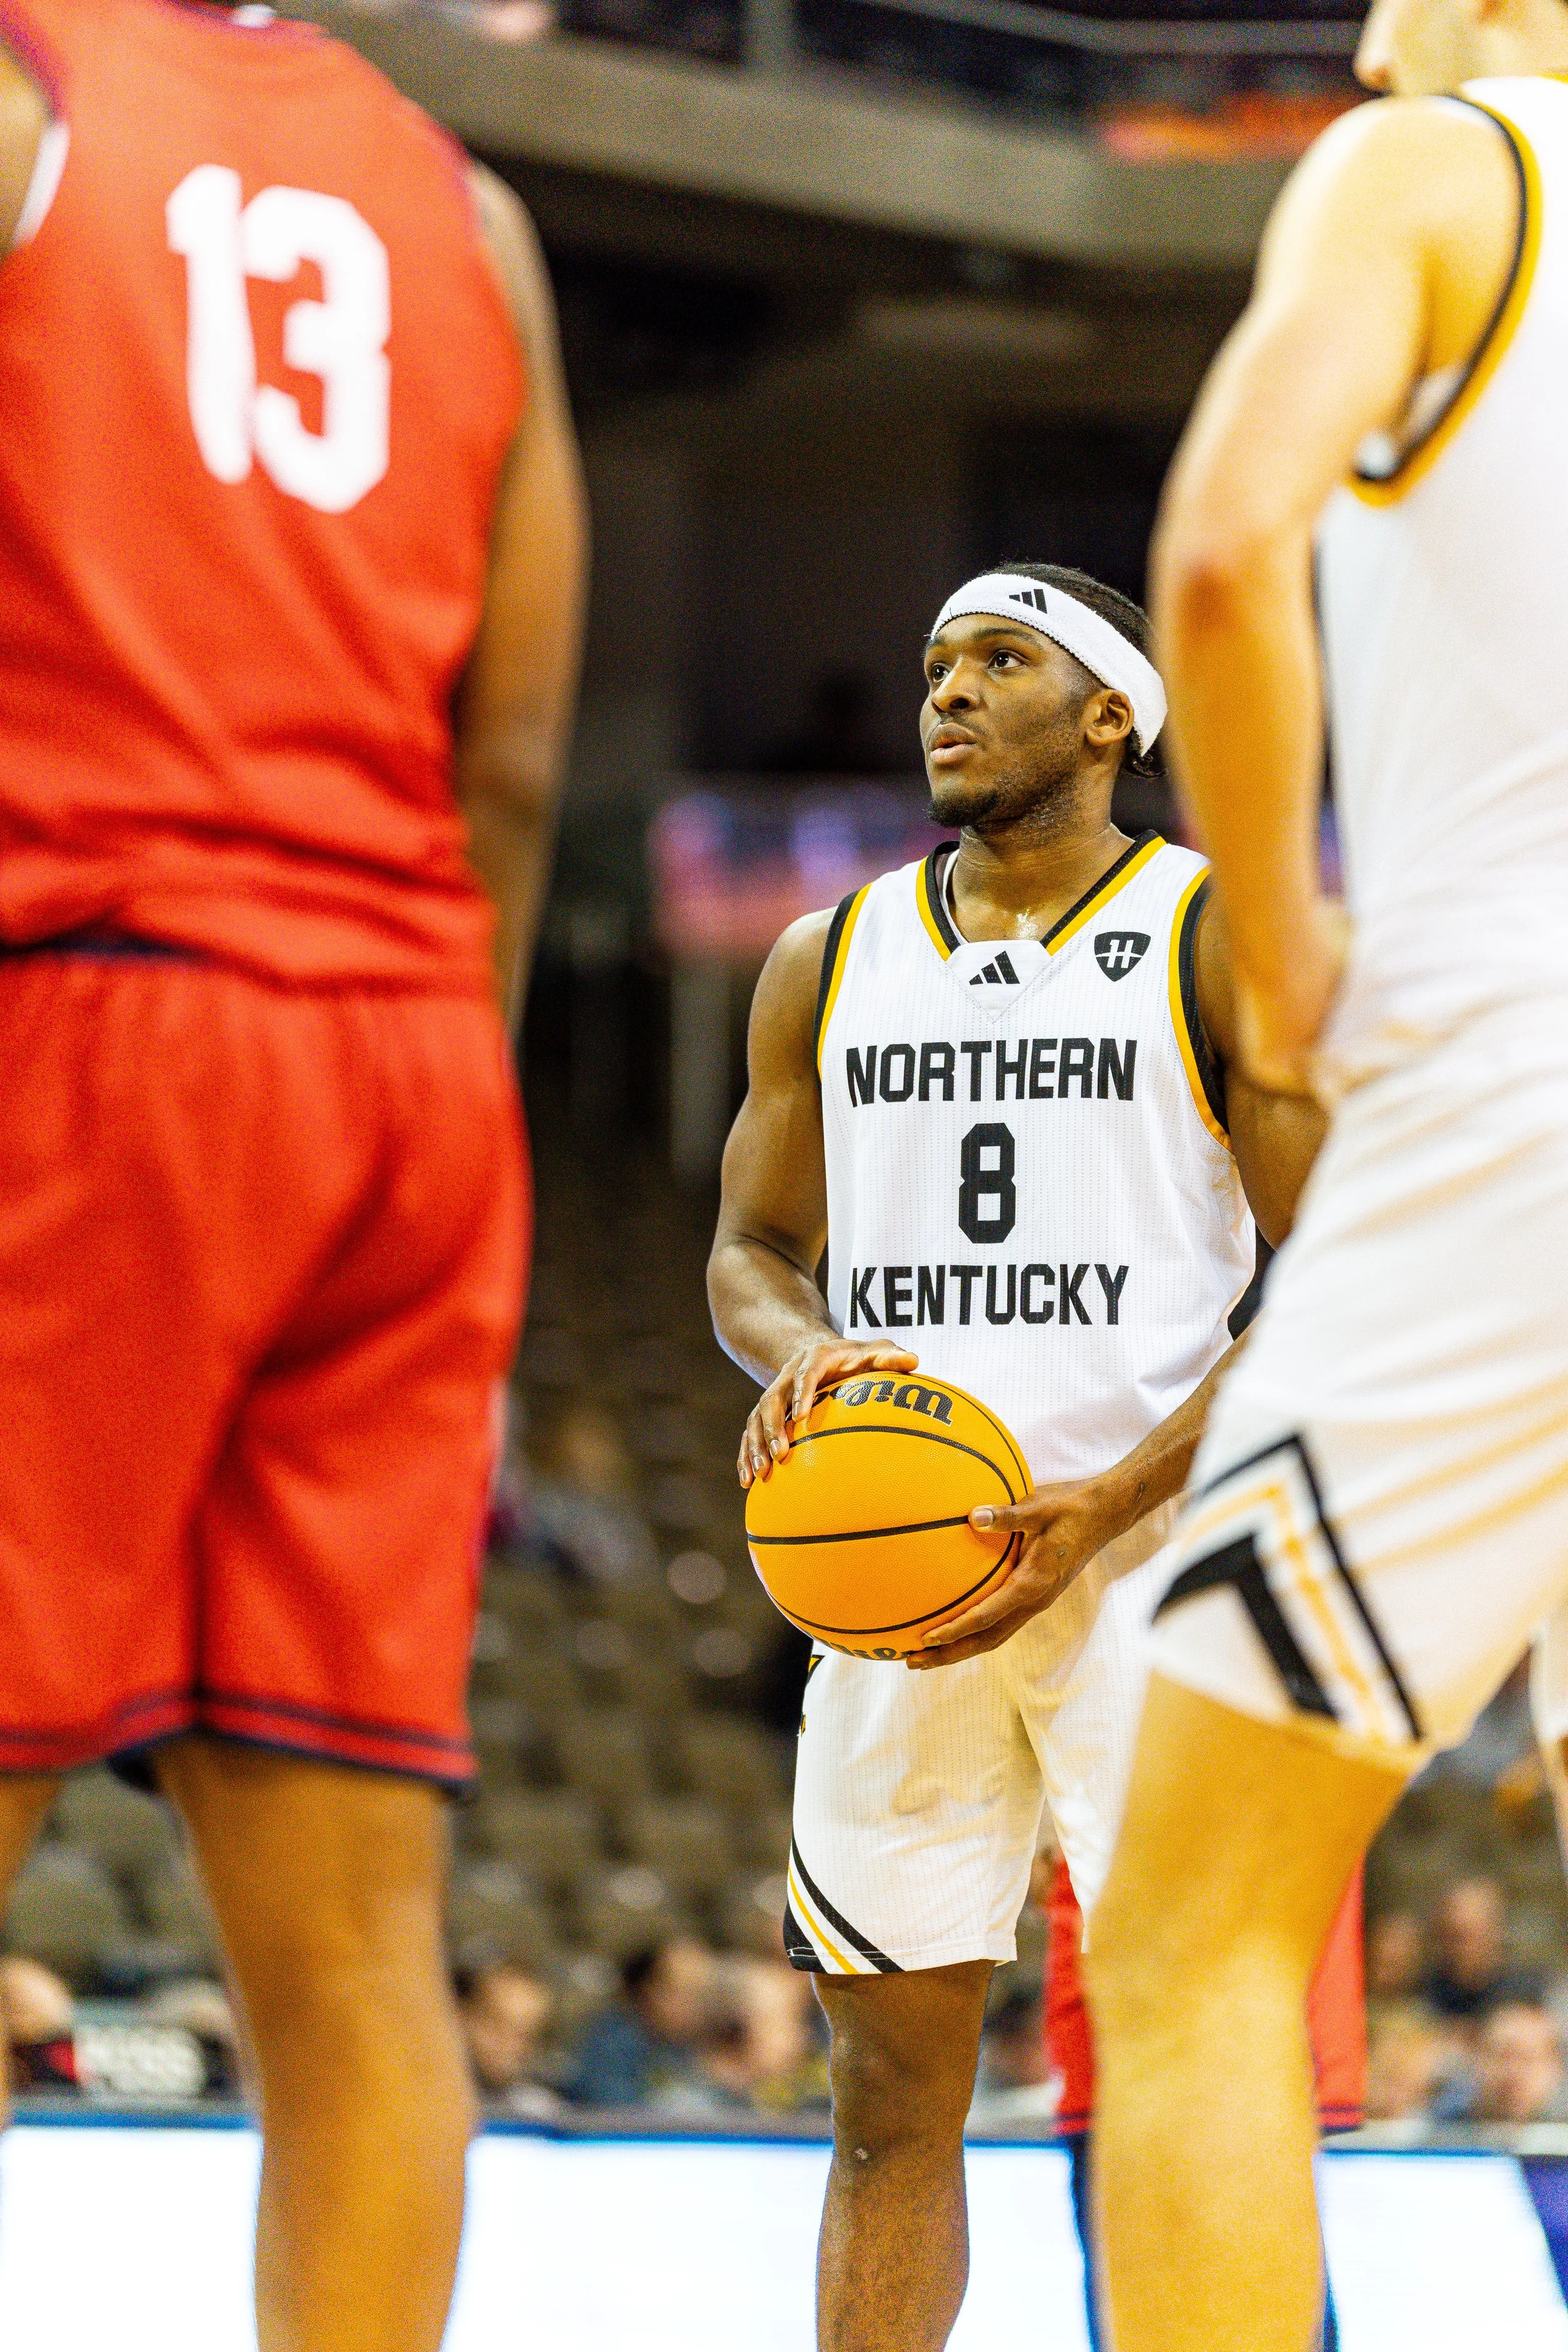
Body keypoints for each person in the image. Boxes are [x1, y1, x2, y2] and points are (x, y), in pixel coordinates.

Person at [0, 9, 586, 2352]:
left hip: (100, 1002)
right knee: (355, 1939)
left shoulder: (30, 96)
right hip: (414, 1050)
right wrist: (437, 1060)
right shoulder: (476, 214)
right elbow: (521, 755)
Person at [1083, 3, 1568, 2346]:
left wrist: (1276, 963)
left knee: (1187, 1940)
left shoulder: (1445, 169)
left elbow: (1213, 555)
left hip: (1516, 1095)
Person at [708, 559, 1333, 2352]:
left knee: (1188, 2061)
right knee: (884, 2092)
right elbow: (747, 1249)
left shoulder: (1214, 932)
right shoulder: (821, 956)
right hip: (900, 1579)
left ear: (1112, 714)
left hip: (1151, 1563)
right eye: (933, 667)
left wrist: (1108, 1502)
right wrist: (802, 1348)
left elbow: (1332, 1274)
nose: (946, 694)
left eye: (999, 661)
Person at [569, 1935, 715, 2108]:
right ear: (646, 1990)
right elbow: (618, 2116)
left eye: (701, 1995)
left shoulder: (684, 2045)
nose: (694, 2006)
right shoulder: (612, 2045)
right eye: (682, 1992)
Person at [453, 1956, 562, 2119]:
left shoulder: (540, 2115)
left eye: (523, 2035)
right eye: (495, 2024)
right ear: (461, 2015)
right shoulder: (417, 2099)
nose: (508, 2046)